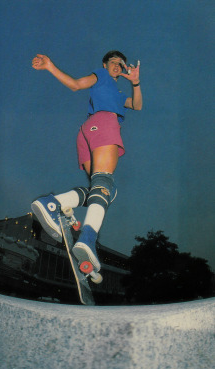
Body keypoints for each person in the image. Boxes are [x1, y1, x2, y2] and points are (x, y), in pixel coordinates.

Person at [31, 50, 142, 272]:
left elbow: (137, 105)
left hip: (87, 132)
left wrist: (136, 82)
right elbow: (75, 84)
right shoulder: (101, 75)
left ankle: (56, 204)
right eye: (113, 62)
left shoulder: (118, 94)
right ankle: (86, 236)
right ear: (105, 64)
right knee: (104, 183)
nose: (118, 65)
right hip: (103, 123)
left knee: (102, 190)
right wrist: (50, 66)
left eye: (121, 64)